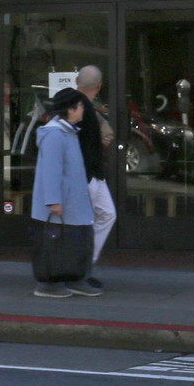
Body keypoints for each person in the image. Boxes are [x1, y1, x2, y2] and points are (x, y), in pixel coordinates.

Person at [31, 88, 98, 298]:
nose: (83, 111)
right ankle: (50, 284)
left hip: (73, 204)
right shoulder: (54, 134)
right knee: (60, 246)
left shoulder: (67, 131)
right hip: (63, 205)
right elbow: (51, 171)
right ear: (70, 109)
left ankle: (74, 279)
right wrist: (54, 201)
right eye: (80, 106)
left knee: (77, 243)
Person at [75, 65, 116, 291]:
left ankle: (84, 267)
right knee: (86, 223)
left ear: (76, 80)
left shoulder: (80, 107)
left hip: (91, 174)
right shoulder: (83, 108)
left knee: (106, 214)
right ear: (99, 86)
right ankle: (80, 271)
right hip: (88, 174)